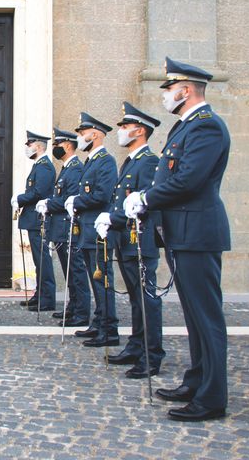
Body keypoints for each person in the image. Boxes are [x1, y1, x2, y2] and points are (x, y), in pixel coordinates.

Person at [124, 57, 231, 421]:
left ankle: (212, 397)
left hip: (197, 233)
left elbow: (188, 180)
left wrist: (146, 199)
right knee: (193, 317)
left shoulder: (206, 127)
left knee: (207, 318)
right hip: (182, 233)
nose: (166, 95)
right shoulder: (184, 129)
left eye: (169, 89)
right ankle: (196, 381)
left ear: (186, 90)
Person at [94, 102, 165, 379]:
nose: (120, 131)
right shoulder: (131, 161)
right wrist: (110, 219)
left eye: (125, 126)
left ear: (139, 130)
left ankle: (152, 354)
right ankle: (136, 346)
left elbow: (143, 204)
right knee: (136, 299)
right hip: (125, 240)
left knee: (147, 299)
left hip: (140, 240)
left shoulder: (148, 161)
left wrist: (115, 219)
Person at [64, 113, 118, 347]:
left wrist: (76, 201)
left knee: (102, 280)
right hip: (86, 231)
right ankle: (98, 323)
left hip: (98, 232)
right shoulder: (91, 162)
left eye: (82, 133)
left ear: (94, 134)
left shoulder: (105, 161)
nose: (80, 137)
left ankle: (109, 329)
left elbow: (101, 195)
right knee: (95, 280)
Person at [35, 128, 90, 326]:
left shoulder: (74, 168)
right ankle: (73, 307)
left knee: (76, 271)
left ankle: (81, 312)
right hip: (60, 229)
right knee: (70, 272)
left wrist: (49, 204)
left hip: (69, 228)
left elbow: (70, 199)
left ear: (67, 146)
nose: (55, 148)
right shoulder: (67, 168)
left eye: (57, 145)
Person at [11, 130, 56, 312]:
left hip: (39, 220)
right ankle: (40, 294)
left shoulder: (44, 166)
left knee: (42, 259)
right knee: (38, 260)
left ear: (38, 146)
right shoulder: (39, 165)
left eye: (29, 145)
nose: (27, 148)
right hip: (34, 220)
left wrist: (20, 198)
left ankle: (47, 298)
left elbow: (39, 192)